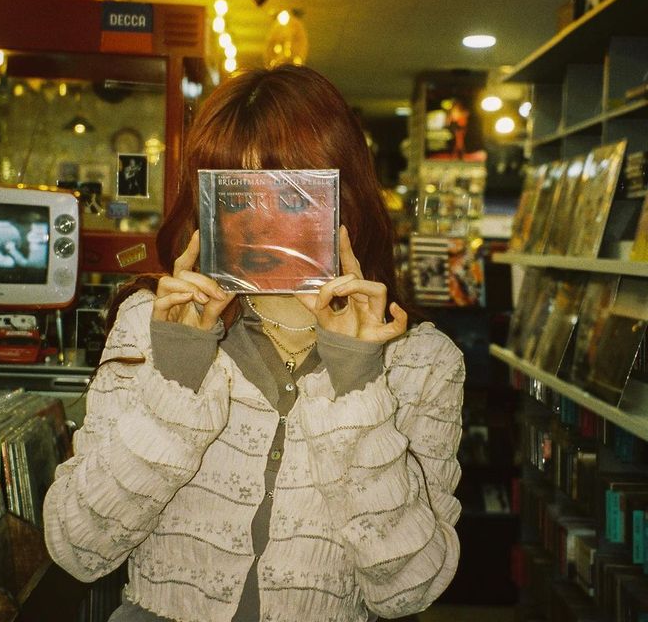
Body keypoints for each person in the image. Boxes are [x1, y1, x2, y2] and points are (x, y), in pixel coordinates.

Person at [44, 64, 465, 622]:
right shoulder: (158, 323)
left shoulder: (421, 361)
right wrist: (176, 378)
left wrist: (357, 380)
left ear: (344, 197)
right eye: (236, 195)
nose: (262, 223)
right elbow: (79, 547)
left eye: (292, 197)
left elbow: (410, 588)